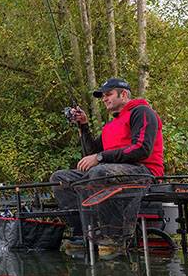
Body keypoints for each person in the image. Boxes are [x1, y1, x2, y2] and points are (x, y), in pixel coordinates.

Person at [50, 78, 164, 251]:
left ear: (123, 94)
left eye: (108, 94)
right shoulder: (110, 125)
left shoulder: (142, 112)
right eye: (103, 96)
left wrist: (101, 158)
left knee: (101, 172)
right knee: (60, 178)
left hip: (144, 171)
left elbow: (141, 149)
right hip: (111, 171)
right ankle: (81, 235)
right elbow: (93, 153)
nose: (104, 99)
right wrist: (84, 126)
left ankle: (112, 237)